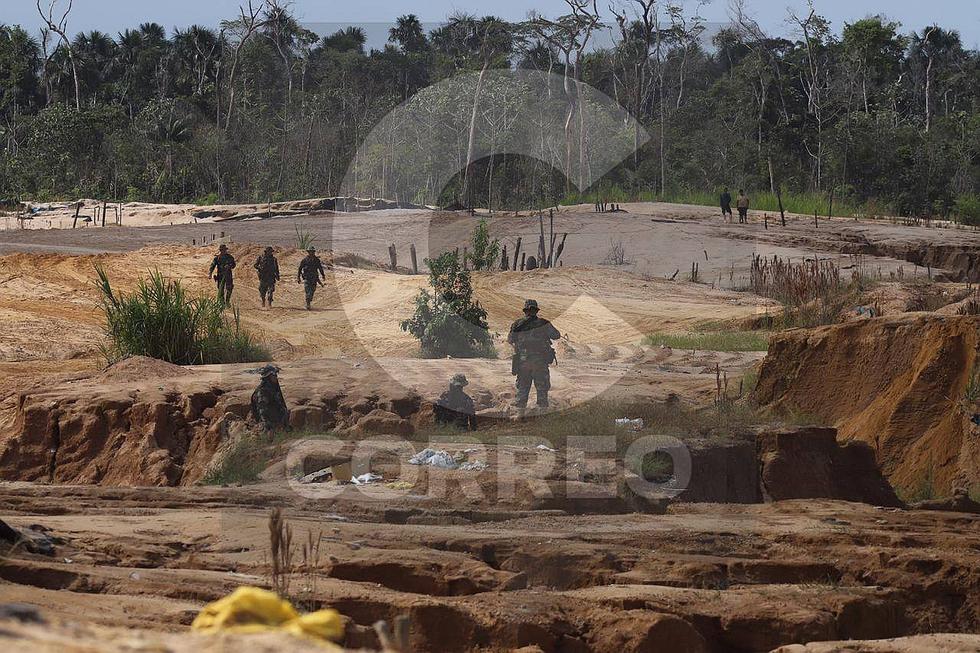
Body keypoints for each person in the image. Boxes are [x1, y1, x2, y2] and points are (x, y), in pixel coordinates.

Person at [508, 299, 561, 411]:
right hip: (540, 362)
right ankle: (541, 417)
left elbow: (510, 339)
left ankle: (519, 416)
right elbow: (556, 335)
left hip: (523, 362)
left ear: (525, 311)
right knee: (542, 391)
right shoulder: (544, 323)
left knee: (522, 390)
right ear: (536, 311)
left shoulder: (517, 324)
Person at [250, 365, 289, 431]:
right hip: (269, 424)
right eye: (273, 376)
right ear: (268, 377)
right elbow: (262, 410)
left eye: (276, 376)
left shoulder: (273, 388)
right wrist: (267, 426)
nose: (275, 378)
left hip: (277, 422)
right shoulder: (263, 391)